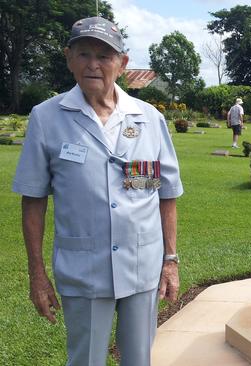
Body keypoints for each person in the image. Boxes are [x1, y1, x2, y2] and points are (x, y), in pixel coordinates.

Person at [12, 16, 183, 365]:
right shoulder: (47, 117)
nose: (93, 64)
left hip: (142, 266)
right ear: (69, 58)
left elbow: (165, 193)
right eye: (84, 53)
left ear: (122, 63)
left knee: (139, 359)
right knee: (86, 359)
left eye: (104, 56)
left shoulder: (149, 118)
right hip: (83, 268)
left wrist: (170, 261)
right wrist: (37, 275)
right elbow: (33, 200)